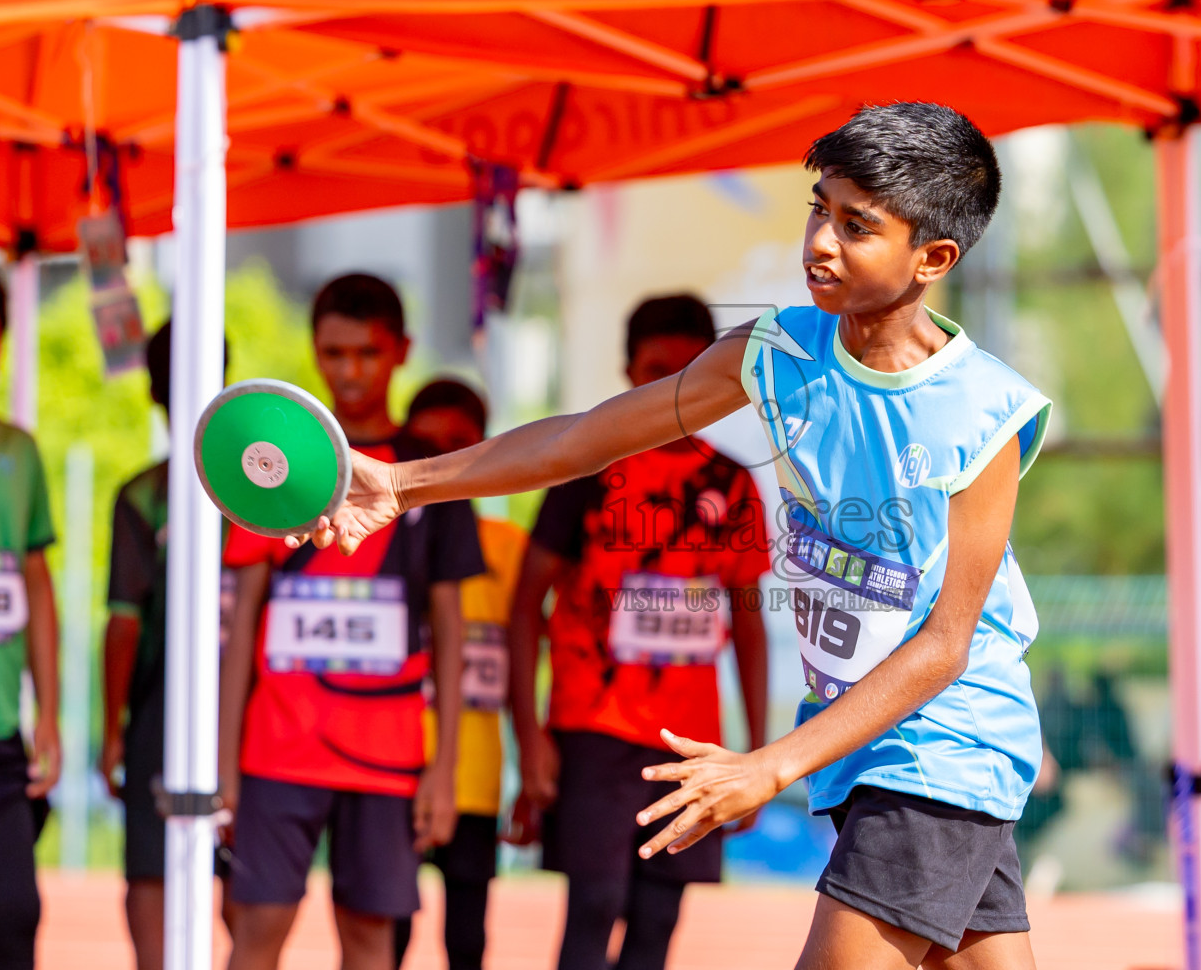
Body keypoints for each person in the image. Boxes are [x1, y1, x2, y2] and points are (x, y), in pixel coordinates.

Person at [293, 103, 1051, 969]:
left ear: (934, 258)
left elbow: (947, 646)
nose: (821, 242)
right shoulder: (774, 353)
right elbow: (583, 439)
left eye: (856, 226)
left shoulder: (983, 413)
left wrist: (770, 764)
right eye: (819, 207)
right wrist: (401, 483)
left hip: (939, 744)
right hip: (872, 752)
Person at [218, 274, 485, 970]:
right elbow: (243, 618)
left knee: (372, 942)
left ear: (400, 351)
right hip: (276, 750)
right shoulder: (273, 465)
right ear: (314, 351)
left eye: (366, 353)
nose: (350, 370)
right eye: (334, 354)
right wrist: (224, 758)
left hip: (388, 758)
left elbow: (451, 631)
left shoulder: (436, 472)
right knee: (256, 930)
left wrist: (444, 768)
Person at [509, 294, 771, 970]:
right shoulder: (587, 469)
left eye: (690, 373)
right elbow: (525, 602)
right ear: (630, 372)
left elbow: (747, 622)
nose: (674, 390)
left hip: (690, 743)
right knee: (594, 905)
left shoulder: (732, 485)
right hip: (593, 728)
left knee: (659, 916)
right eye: (658, 371)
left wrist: (759, 754)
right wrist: (530, 735)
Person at [101, 321, 230, 969]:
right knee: (210, 875)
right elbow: (123, 624)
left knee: (156, 869)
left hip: (174, 712)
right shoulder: (260, 490)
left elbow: (124, 623)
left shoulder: (144, 495)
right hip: (205, 708)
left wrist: (114, 730)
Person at [392, 379, 529, 970]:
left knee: (468, 938)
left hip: (475, 778)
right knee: (387, 925)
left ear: (485, 448)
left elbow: (527, 663)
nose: (444, 457)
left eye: (461, 444)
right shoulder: (385, 538)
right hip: (392, 767)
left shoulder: (511, 548)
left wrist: (531, 762)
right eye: (431, 444)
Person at [0, 268, 61, 970]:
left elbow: (37, 585)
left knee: (14, 913)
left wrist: (48, 711)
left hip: (0, 742)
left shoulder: (18, 454)